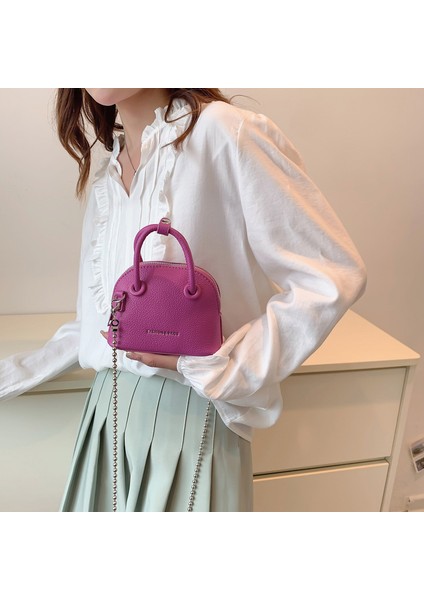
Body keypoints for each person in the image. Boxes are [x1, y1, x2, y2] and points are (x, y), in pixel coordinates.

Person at [0, 88, 367, 512]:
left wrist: (226, 367)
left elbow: (330, 275)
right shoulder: (108, 171)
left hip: (196, 417)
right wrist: (16, 373)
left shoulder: (225, 132)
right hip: (106, 417)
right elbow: (97, 323)